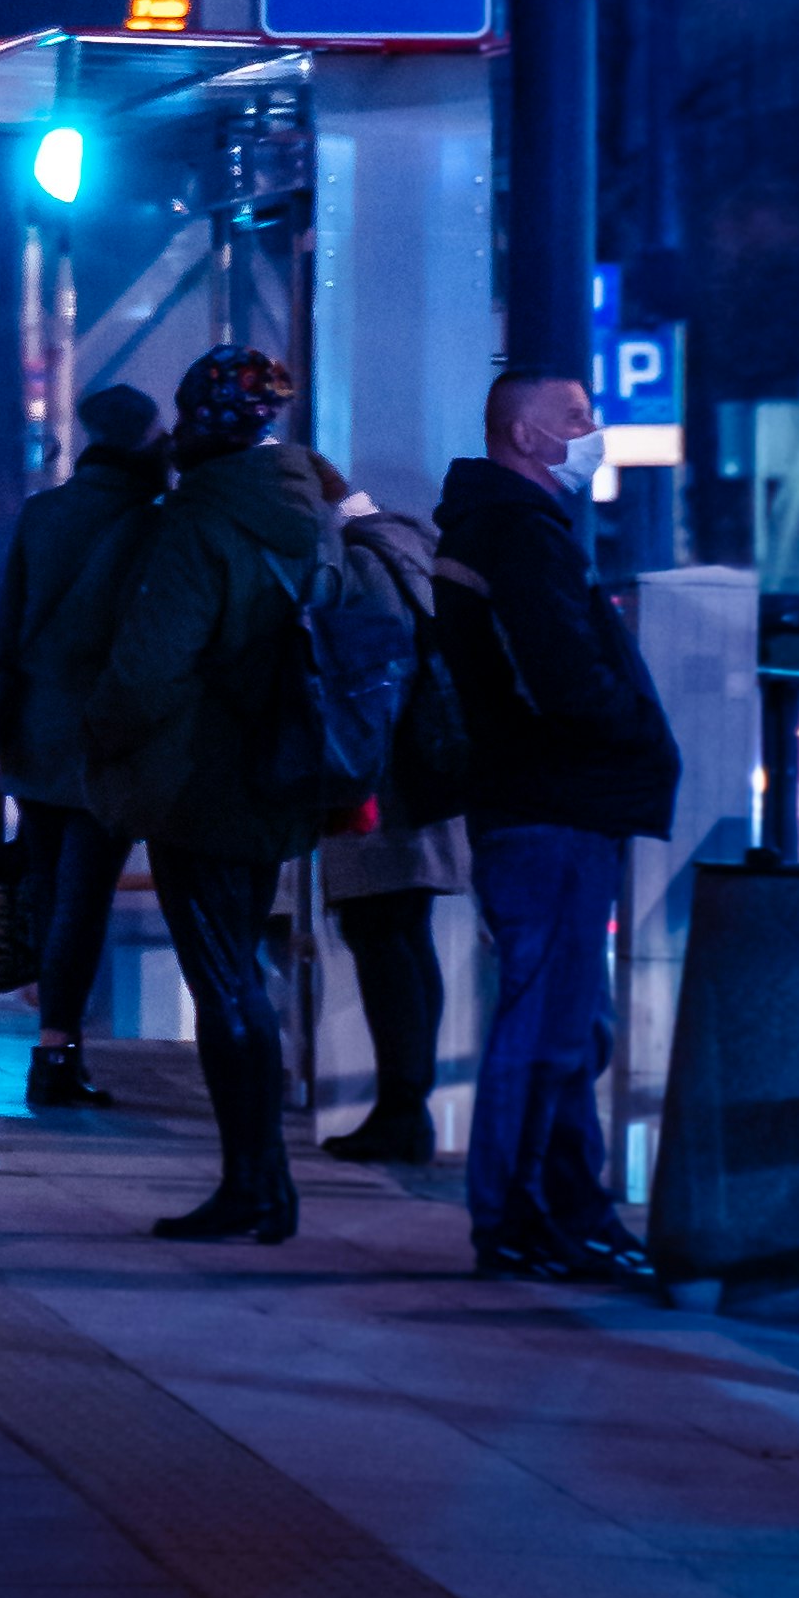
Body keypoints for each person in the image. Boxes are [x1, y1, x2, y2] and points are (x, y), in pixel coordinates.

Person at [432, 371, 685, 1285]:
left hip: (538, 804)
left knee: (568, 1023)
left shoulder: (498, 528)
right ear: (526, 438)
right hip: (552, 806)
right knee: (545, 1024)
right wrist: (631, 724)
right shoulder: (521, 538)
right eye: (575, 419)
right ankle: (518, 1217)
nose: (593, 431)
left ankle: (569, 1211)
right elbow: (557, 678)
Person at [84, 348, 331, 1243]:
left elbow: (148, 666)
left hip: (201, 780)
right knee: (244, 971)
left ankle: (253, 1184)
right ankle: (263, 1183)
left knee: (225, 981)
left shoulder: (197, 520)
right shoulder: (309, 507)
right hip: (281, 771)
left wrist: (99, 738)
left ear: (192, 422)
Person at [0, 382, 167, 1112]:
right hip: (103, 735)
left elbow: (9, 626)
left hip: (32, 729)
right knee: (84, 898)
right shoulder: (150, 522)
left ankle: (50, 1047)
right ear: (149, 437)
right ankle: (57, 1052)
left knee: (51, 889)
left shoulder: (42, 513)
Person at [306, 450, 464, 1166]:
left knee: (382, 938)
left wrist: (343, 777)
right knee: (406, 933)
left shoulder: (356, 564)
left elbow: (362, 679)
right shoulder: (411, 547)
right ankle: (408, 1103)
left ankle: (401, 1110)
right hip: (428, 773)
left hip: (381, 782)